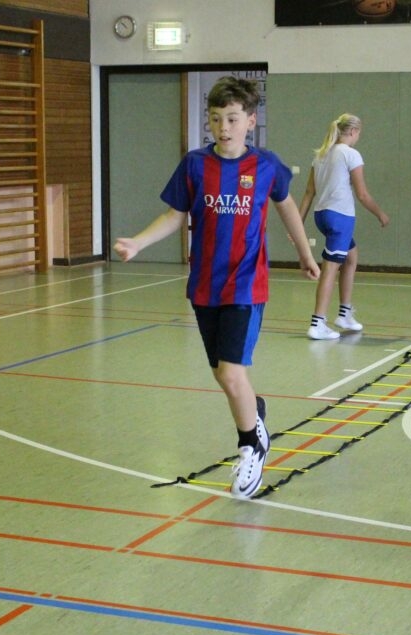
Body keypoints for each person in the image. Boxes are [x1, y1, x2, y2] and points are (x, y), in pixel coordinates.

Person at [114, 76, 320, 499]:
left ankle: (252, 447)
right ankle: (254, 413)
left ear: (250, 121)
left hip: (246, 285)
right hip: (205, 285)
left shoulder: (266, 166)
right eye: (215, 118)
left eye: (232, 118)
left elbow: (285, 208)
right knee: (223, 374)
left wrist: (304, 253)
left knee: (230, 372)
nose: (223, 127)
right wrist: (138, 242)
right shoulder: (194, 165)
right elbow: (174, 215)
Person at [298, 113, 389, 340]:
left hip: (322, 215)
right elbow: (362, 194)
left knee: (351, 257)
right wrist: (380, 213)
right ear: (353, 132)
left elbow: (309, 192)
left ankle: (344, 314)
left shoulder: (321, 154)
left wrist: (298, 222)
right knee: (330, 268)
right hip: (340, 217)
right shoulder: (350, 154)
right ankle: (317, 323)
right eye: (359, 133)